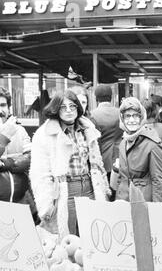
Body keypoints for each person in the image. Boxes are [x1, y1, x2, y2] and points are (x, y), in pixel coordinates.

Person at [29, 90, 110, 238]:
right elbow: (39, 173)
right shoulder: (44, 134)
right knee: (68, 238)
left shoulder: (88, 128)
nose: (68, 110)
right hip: (65, 191)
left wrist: (103, 187)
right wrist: (45, 205)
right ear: (56, 109)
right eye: (63, 107)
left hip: (89, 187)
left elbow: (97, 162)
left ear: (78, 108)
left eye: (72, 106)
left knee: (92, 235)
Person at [115, 97, 162, 202]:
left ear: (142, 118)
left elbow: (159, 182)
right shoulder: (123, 143)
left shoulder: (153, 144)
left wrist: (158, 211)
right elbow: (122, 177)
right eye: (127, 116)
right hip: (123, 202)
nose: (131, 120)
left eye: (136, 116)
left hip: (143, 203)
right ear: (122, 119)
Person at [0, 87, 39, 223]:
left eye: (3, 105)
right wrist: (3, 138)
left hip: (21, 202)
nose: (0, 110)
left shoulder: (20, 130)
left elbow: (31, 158)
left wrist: (6, 163)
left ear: (9, 107)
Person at [90, 84, 123, 191]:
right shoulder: (121, 113)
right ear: (111, 97)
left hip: (101, 159)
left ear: (96, 98)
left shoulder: (92, 115)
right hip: (120, 158)